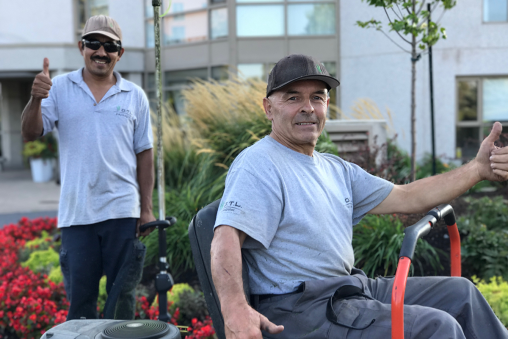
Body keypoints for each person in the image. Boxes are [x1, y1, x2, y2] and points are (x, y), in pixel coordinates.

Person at [211, 54, 508, 339]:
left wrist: (478, 169)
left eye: (317, 97)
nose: (308, 107)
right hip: (298, 310)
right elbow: (225, 237)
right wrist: (235, 310)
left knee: (462, 293)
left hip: (351, 290)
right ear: (268, 108)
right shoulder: (259, 163)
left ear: (327, 104)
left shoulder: (336, 169)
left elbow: (408, 196)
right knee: (435, 328)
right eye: (293, 97)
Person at [21, 15, 156, 320]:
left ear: (119, 53)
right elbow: (30, 133)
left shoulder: (135, 96)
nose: (101, 51)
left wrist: (145, 209)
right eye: (94, 43)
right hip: (77, 214)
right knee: (81, 304)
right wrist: (35, 99)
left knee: (122, 298)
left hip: (122, 213)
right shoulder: (59, 88)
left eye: (110, 46)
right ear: (81, 47)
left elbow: (144, 152)